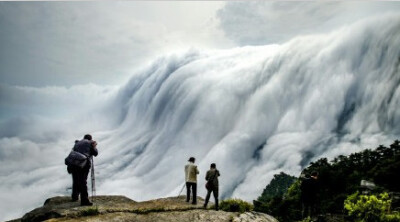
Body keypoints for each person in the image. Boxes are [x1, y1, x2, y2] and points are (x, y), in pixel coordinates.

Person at [70, 134, 98, 206]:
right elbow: (95, 153)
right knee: (83, 181)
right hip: (83, 163)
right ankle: (84, 201)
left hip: (73, 163)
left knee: (76, 179)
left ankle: (75, 196)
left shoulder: (77, 143)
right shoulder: (90, 143)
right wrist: (94, 146)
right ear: (90, 139)